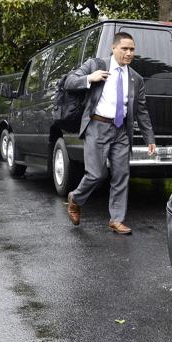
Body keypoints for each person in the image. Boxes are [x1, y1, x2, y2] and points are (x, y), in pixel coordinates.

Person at [65, 32, 156, 235]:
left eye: (132, 49)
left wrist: (150, 138)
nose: (129, 53)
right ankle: (75, 199)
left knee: (121, 175)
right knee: (96, 174)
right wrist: (90, 78)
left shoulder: (136, 78)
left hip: (121, 130)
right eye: (124, 48)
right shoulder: (95, 65)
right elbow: (69, 81)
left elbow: (141, 110)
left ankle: (116, 219)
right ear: (113, 48)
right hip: (97, 127)